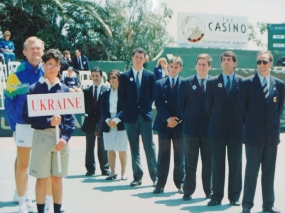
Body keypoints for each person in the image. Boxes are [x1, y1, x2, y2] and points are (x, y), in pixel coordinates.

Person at [22, 49, 75, 213]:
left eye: (56, 65)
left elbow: (71, 121)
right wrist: (48, 121)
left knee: (57, 179)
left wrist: (65, 138)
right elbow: (26, 116)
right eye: (49, 64)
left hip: (60, 142)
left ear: (60, 67)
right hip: (41, 138)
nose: (53, 68)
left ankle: (57, 210)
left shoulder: (65, 90)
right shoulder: (34, 89)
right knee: (42, 179)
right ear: (43, 64)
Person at [240, 51, 285, 213]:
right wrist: (252, 126)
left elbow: (277, 110)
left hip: (271, 137)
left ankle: (268, 205)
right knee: (251, 172)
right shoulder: (247, 83)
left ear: (271, 64)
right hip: (253, 136)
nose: (262, 65)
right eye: (259, 62)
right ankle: (247, 204)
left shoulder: (279, 85)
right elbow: (242, 110)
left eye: (265, 62)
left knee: (268, 172)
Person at [4, 36, 45, 213]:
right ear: (24, 52)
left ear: (42, 51)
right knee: (23, 162)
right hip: (23, 126)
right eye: (32, 48)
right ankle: (22, 196)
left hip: (43, 127)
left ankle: (24, 192)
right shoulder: (16, 74)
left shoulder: (47, 71)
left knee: (39, 164)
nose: (35, 51)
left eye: (38, 48)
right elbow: (9, 101)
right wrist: (16, 126)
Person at [205, 51, 244, 206]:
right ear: (221, 63)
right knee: (218, 164)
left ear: (235, 63)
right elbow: (209, 106)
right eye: (224, 60)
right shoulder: (212, 82)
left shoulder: (243, 82)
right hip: (217, 129)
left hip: (236, 130)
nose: (226, 62)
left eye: (229, 60)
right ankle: (217, 196)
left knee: (236, 163)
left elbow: (245, 107)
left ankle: (234, 196)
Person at [118, 47, 157, 187]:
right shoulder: (123, 76)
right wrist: (129, 110)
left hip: (145, 116)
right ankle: (137, 177)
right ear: (132, 58)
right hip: (130, 117)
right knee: (134, 147)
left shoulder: (150, 76)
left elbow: (153, 95)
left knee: (149, 147)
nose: (139, 59)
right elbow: (121, 97)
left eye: (141, 57)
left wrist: (144, 107)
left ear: (145, 59)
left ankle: (155, 177)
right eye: (136, 57)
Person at [178, 53, 212, 201]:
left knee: (208, 163)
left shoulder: (214, 83)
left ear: (209, 66)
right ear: (195, 66)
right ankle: (188, 190)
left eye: (204, 64)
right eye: (199, 64)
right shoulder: (186, 83)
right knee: (190, 162)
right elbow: (181, 105)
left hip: (209, 131)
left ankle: (209, 191)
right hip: (190, 130)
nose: (201, 67)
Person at [152, 56, 184, 194]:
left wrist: (177, 119)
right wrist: (168, 118)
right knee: (163, 155)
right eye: (171, 66)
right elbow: (158, 103)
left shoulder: (185, 83)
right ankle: (160, 183)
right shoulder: (159, 83)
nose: (173, 69)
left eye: (176, 67)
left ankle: (180, 183)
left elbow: (187, 104)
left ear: (180, 68)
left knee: (180, 155)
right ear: (168, 67)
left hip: (180, 124)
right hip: (164, 124)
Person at [81, 66, 110, 176]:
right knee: (89, 147)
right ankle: (90, 169)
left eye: (97, 75)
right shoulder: (87, 91)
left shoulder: (106, 90)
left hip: (102, 122)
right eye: (93, 76)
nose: (95, 77)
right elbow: (84, 105)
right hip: (90, 122)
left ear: (101, 77)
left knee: (102, 147)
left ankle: (105, 168)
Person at [100, 70, 128, 181]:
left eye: (114, 77)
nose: (112, 79)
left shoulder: (125, 92)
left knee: (122, 148)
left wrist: (116, 119)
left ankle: (123, 173)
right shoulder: (105, 93)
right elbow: (102, 108)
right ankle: (112, 172)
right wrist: (108, 120)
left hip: (121, 121)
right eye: (110, 77)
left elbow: (126, 108)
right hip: (108, 122)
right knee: (110, 148)